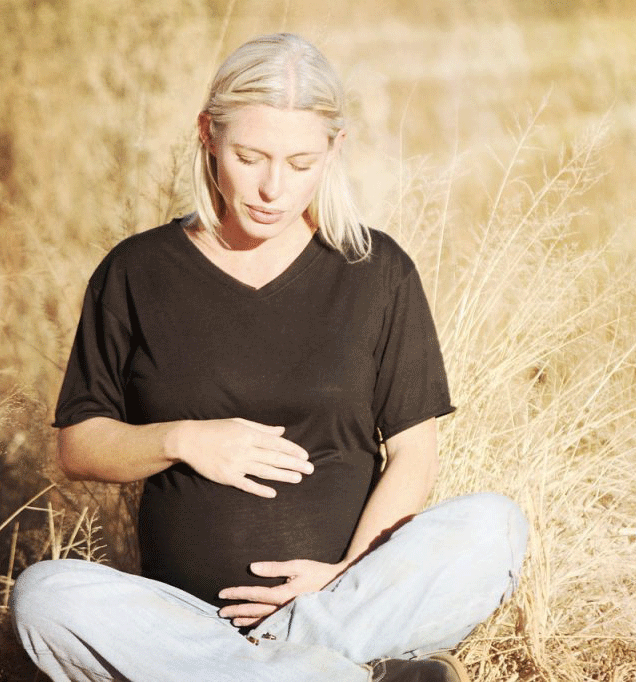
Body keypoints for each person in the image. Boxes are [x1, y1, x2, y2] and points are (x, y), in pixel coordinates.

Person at [11, 33, 528, 682]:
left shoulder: (378, 272)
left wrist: (341, 579)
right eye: (250, 157)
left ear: (335, 150)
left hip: (342, 601)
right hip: (187, 621)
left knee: (496, 528)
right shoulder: (137, 272)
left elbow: (414, 456)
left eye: (301, 161)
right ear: (207, 135)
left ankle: (290, 661)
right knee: (45, 599)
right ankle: (341, 673)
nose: (272, 188)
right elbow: (79, 447)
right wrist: (185, 439)